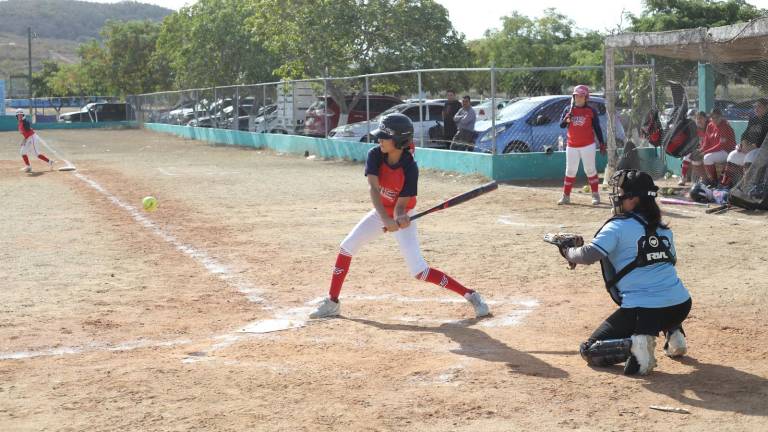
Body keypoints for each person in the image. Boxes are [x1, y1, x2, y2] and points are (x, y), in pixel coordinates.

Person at [309, 113, 491, 319]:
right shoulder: (375, 154)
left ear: (399, 141)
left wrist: (399, 218)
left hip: (403, 212)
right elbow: (373, 189)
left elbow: (401, 205)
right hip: (380, 212)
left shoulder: (410, 168)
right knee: (346, 247)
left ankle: (470, 294)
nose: (379, 140)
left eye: (384, 137)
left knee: (419, 271)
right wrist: (385, 218)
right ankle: (332, 302)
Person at [559, 169, 692, 375]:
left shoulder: (617, 226)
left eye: (621, 193)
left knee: (589, 349)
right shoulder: (664, 228)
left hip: (644, 311)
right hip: (681, 306)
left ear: (634, 199)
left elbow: (587, 255)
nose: (618, 197)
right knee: (659, 287)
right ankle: (674, 333)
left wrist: (568, 251)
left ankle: (639, 346)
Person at [558, 85, 606, 206]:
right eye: (576, 96)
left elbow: (597, 128)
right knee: (570, 171)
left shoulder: (591, 111)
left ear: (586, 98)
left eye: (581, 96)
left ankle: (595, 195)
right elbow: (562, 125)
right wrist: (566, 119)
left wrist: (601, 142)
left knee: (589, 170)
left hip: (587, 145)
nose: (578, 98)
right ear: (573, 97)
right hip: (572, 145)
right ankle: (566, 196)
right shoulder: (568, 110)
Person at [721, 98, 768, 187]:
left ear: (767, 108)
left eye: (759, 106)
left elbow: (764, 138)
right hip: (749, 148)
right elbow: (745, 134)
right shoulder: (753, 119)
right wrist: (742, 144)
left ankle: (747, 187)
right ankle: (726, 185)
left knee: (749, 157)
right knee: (732, 156)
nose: (756, 109)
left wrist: (752, 147)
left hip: (762, 150)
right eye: (756, 106)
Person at [700, 108, 736, 186]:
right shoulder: (710, 125)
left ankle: (714, 180)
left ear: (721, 117)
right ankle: (705, 179)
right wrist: (701, 150)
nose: (714, 119)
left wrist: (705, 152)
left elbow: (721, 145)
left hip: (727, 151)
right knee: (694, 157)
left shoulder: (725, 126)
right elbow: (706, 142)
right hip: (716, 151)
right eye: (712, 117)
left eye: (716, 117)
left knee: (707, 157)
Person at [16, 109, 55, 173]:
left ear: (23, 115)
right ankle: (28, 167)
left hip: (32, 138)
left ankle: (50, 162)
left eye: (21, 115)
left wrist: (24, 140)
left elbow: (29, 132)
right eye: (18, 115)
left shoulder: (25, 122)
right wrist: (25, 139)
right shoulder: (20, 123)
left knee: (37, 154)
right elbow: (25, 133)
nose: (19, 116)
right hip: (28, 138)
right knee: (22, 152)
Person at [678, 111, 708, 186]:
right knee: (687, 156)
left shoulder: (709, 127)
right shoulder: (695, 129)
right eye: (697, 119)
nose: (699, 120)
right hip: (698, 150)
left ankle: (705, 179)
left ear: (705, 119)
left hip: (707, 149)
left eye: (701, 118)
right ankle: (683, 177)